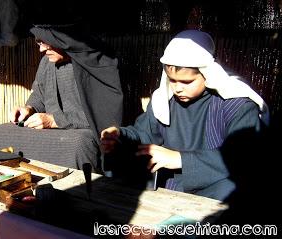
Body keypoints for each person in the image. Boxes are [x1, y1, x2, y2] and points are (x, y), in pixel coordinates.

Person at [100, 30, 269, 201]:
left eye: (187, 82)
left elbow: (241, 156)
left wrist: (181, 159)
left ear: (207, 74)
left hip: (214, 186)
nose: (177, 88)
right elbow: (144, 134)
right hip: (170, 184)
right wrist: (120, 136)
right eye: (172, 80)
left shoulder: (237, 105)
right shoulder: (163, 102)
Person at [0, 23, 123, 173]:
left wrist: (54, 120)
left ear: (64, 39)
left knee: (78, 145)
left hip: (83, 131)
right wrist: (28, 109)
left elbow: (104, 115)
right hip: (51, 132)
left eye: (46, 42)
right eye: (38, 42)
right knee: (2, 132)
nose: (41, 49)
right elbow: (39, 95)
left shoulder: (97, 62)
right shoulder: (47, 62)